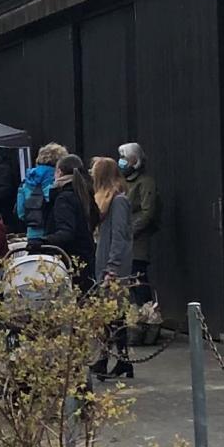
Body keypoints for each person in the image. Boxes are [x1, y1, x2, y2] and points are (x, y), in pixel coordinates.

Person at [89, 153, 137, 377]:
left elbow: (120, 237)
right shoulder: (108, 201)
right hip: (106, 264)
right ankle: (111, 358)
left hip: (113, 267)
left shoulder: (118, 201)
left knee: (113, 314)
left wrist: (112, 267)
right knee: (109, 314)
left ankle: (116, 358)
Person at [117, 143, 160, 315]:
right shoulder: (123, 182)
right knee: (127, 280)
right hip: (124, 237)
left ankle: (148, 315)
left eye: (126, 159)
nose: (122, 162)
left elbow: (148, 212)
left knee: (138, 277)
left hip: (137, 238)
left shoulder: (145, 182)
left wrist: (130, 230)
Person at [40, 150, 94, 277]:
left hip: (68, 258)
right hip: (85, 254)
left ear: (59, 172)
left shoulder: (64, 197)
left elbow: (66, 231)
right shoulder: (84, 193)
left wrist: (43, 242)